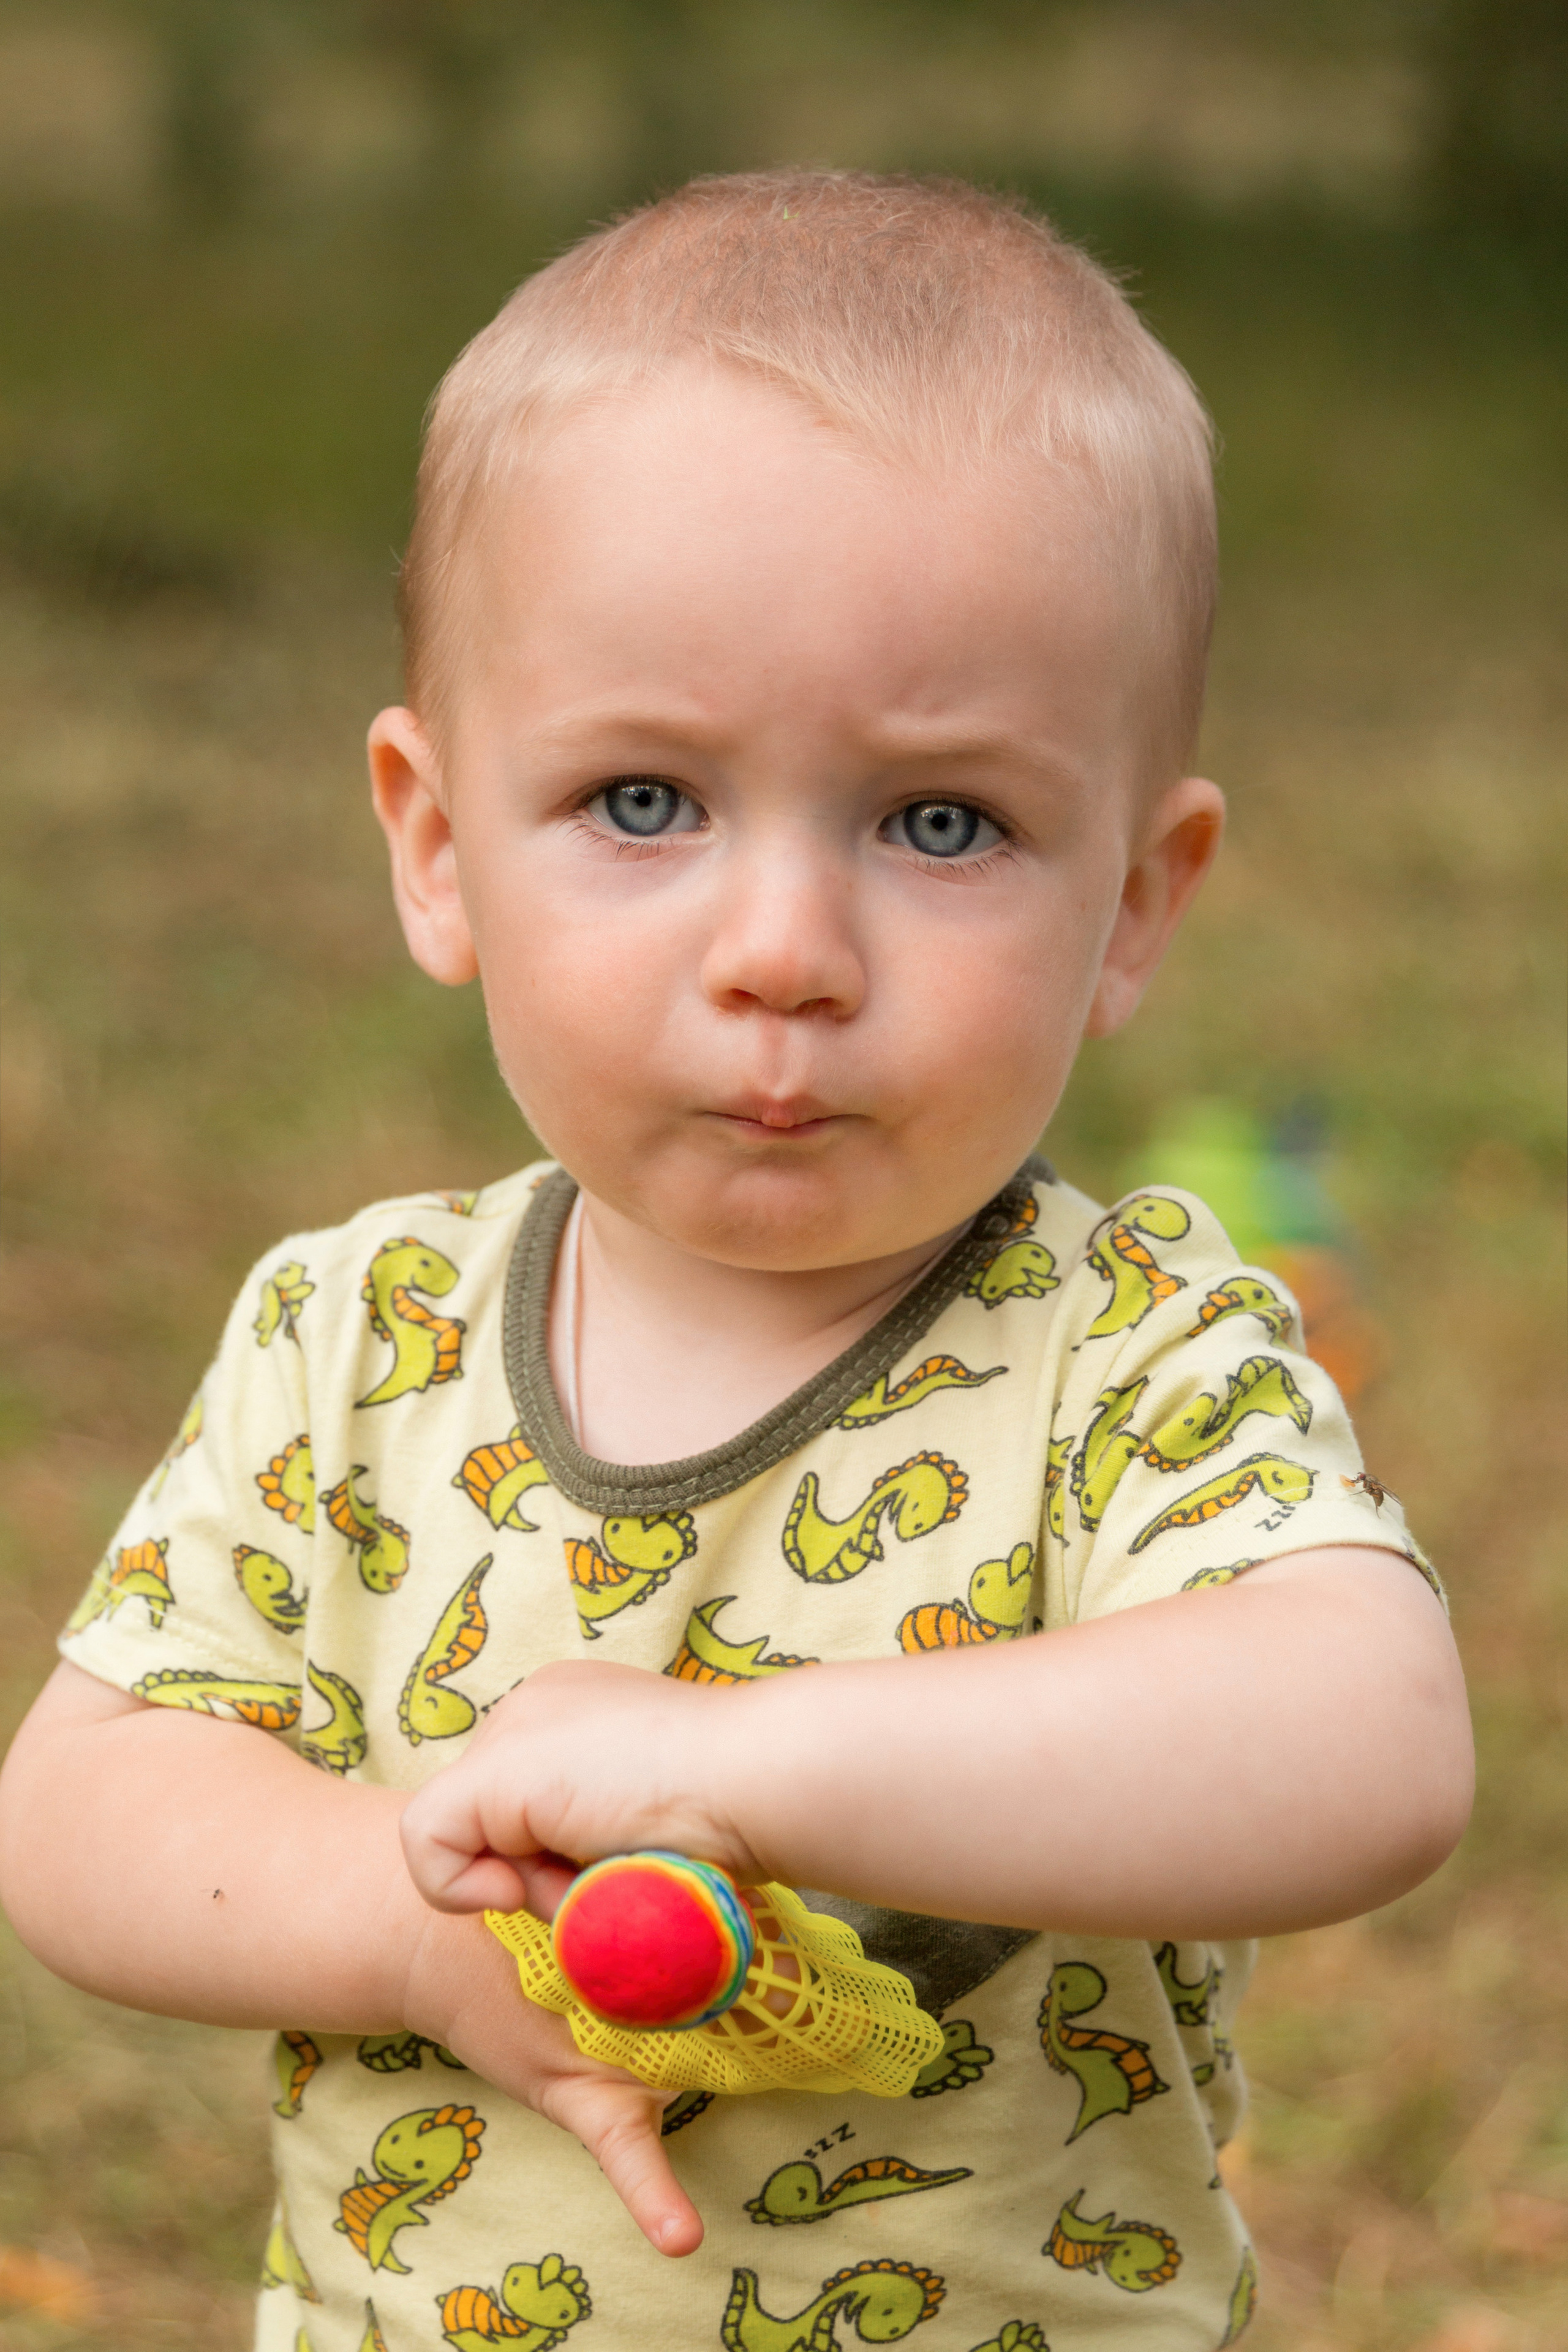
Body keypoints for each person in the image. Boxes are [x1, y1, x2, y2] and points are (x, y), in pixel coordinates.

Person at [0, 171, 1471, 2352]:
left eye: (940, 822)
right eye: (643, 802)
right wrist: (406, 1938)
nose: (784, 953)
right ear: (434, 844)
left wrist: (743, 1762)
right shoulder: (355, 1342)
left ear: (1139, 902)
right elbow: (88, 1810)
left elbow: (1366, 1742)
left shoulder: (1133, 1355)